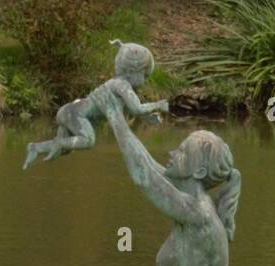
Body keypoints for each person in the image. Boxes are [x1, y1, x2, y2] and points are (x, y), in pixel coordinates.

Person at [89, 82, 244, 266]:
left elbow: (144, 178)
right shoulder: (188, 198)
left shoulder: (196, 210)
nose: (173, 152)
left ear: (200, 171)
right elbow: (147, 165)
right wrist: (119, 118)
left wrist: (115, 116)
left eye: (183, 152)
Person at [22, 41, 169, 170]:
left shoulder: (116, 83)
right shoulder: (122, 85)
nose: (146, 79)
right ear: (131, 72)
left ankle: (36, 148)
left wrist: (148, 118)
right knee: (88, 140)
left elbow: (129, 111)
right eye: (144, 75)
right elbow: (136, 108)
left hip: (69, 111)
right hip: (76, 114)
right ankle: (58, 143)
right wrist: (159, 104)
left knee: (67, 149)